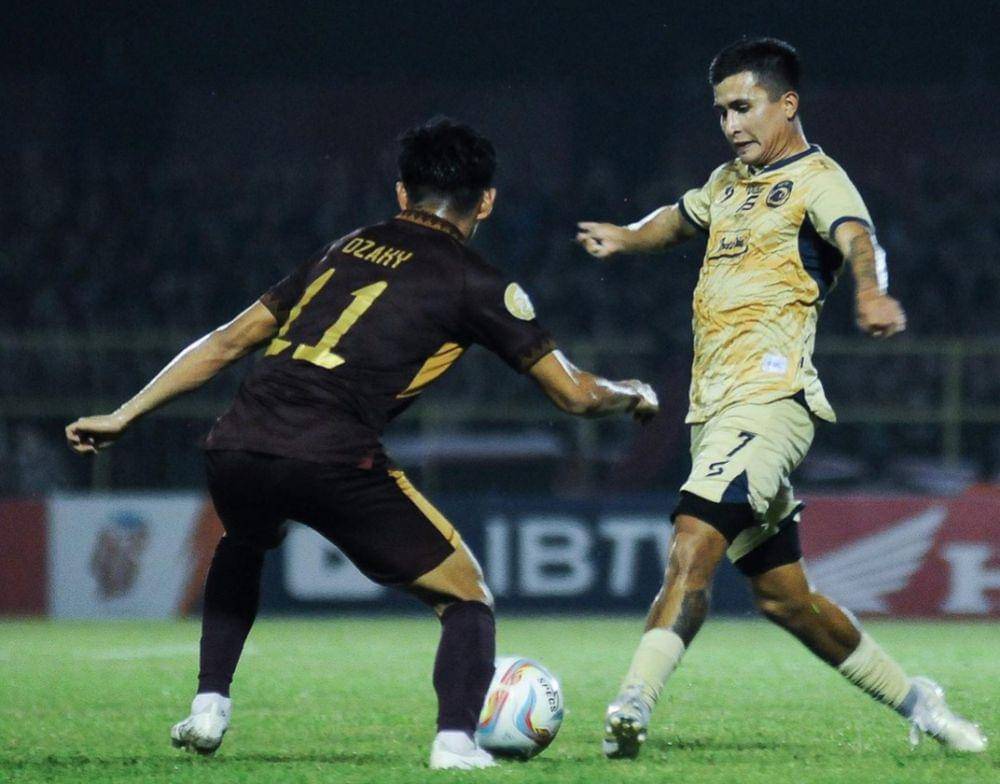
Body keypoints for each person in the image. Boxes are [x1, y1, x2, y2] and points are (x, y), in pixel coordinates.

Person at [66, 118, 659, 770]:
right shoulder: (478, 281)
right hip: (332, 454)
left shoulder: (345, 248)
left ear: (402, 193)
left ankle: (209, 707)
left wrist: (127, 413)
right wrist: (631, 393)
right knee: (466, 597)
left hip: (236, 442)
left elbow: (229, 340)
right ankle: (456, 743)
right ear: (486, 201)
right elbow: (573, 395)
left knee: (245, 542)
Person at [577, 37, 986, 757]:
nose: (732, 124)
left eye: (744, 107)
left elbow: (858, 237)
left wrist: (871, 292)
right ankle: (923, 704)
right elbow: (679, 216)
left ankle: (631, 704)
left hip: (771, 400)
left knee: (692, 540)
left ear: (785, 104)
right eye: (721, 112)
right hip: (715, 411)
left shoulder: (819, 179)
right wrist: (626, 236)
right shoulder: (728, 181)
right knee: (784, 599)